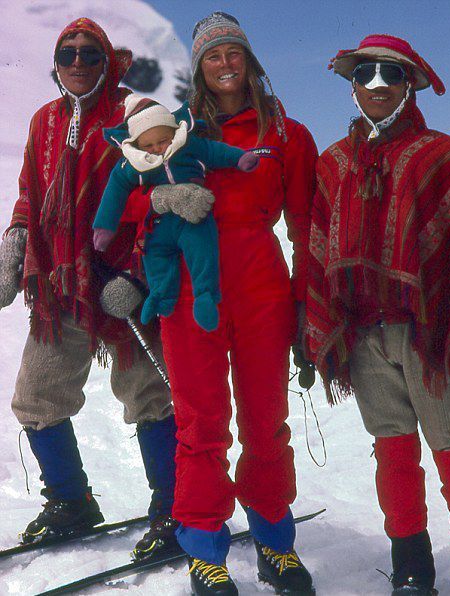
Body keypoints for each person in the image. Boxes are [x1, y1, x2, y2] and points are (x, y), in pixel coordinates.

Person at [0, 17, 216, 561]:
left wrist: (137, 273)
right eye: (67, 53)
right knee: (37, 396)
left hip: (128, 283)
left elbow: (168, 186)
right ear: (56, 63)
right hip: (62, 283)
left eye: (90, 54)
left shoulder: (135, 114)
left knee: (149, 395)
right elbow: (30, 190)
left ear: (107, 62)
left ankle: (173, 509)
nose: (78, 62)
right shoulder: (44, 121)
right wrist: (16, 242)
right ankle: (70, 502)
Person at [137, 11, 317, 596]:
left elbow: (306, 227)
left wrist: (305, 305)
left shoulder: (286, 133)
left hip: (263, 287)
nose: (225, 64)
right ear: (199, 68)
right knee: (201, 422)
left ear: (249, 60)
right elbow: (137, 206)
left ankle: (274, 541)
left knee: (266, 421)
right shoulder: (173, 132)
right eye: (212, 56)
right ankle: (204, 550)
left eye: (233, 52)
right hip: (193, 291)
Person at [306, 34, 450, 596]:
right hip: (362, 333)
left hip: (431, 335)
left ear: (410, 85)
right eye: (365, 73)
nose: (377, 84)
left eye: (390, 73)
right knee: (393, 450)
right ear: (352, 86)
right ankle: (411, 568)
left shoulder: (442, 156)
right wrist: (314, 327)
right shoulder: (333, 163)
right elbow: (317, 246)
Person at [92, 93, 259, 332]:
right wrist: (104, 227)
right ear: (137, 145)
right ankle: (160, 296)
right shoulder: (133, 163)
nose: (157, 149)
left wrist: (240, 158)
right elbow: (114, 192)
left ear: (172, 131)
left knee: (203, 250)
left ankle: (206, 295)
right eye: (148, 146)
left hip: (194, 216)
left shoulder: (188, 145)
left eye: (163, 141)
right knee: (154, 254)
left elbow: (216, 151)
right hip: (160, 222)